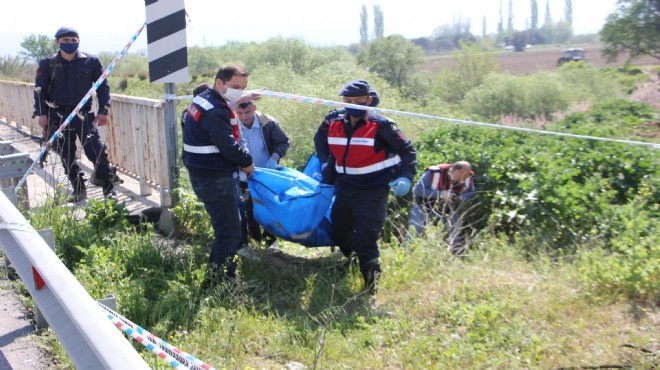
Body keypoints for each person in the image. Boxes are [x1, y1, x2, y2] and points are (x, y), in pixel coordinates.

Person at [322, 79, 417, 295]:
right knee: (340, 231)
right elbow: (320, 139)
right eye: (348, 100)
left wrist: (405, 177)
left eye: (358, 101)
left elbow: (408, 151)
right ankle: (353, 263)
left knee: (366, 238)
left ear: (369, 100)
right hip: (345, 186)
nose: (352, 104)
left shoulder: (383, 126)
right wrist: (324, 161)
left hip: (373, 189)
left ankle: (370, 288)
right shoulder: (333, 120)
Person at [182, 63, 255, 280]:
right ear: (219, 83)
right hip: (215, 178)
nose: (239, 91)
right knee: (230, 232)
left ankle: (219, 275)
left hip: (204, 173)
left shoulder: (203, 99)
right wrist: (247, 162)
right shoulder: (215, 110)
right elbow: (227, 146)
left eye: (242, 88)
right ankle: (220, 280)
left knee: (227, 228)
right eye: (235, 86)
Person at [33, 26, 115, 201]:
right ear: (57, 42)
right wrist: (42, 114)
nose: (70, 44)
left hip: (82, 115)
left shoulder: (91, 62)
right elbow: (39, 90)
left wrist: (103, 111)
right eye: (65, 40)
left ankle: (109, 189)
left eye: (73, 40)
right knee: (66, 154)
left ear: (78, 41)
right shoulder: (48, 63)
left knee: (96, 150)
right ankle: (78, 189)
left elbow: (103, 87)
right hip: (57, 116)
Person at [235, 101, 290, 248]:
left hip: (266, 174)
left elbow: (283, 142)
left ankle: (270, 241)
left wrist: (274, 157)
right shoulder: (232, 125)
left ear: (254, 109)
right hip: (244, 175)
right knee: (248, 207)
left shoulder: (268, 123)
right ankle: (254, 240)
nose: (244, 117)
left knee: (269, 206)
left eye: (247, 112)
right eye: (239, 113)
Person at [407, 161, 475, 255]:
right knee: (415, 230)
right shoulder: (434, 172)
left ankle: (455, 257)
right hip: (423, 206)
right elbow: (417, 190)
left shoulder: (467, 176)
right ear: (454, 171)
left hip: (448, 208)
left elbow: (471, 192)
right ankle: (407, 253)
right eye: (460, 175)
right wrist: (441, 194)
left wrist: (461, 197)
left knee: (453, 233)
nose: (462, 179)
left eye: (465, 175)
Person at [313, 87, 380, 167]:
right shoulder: (335, 116)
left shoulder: (376, 123)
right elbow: (319, 138)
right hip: (333, 163)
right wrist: (324, 161)